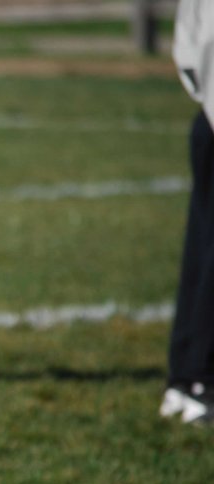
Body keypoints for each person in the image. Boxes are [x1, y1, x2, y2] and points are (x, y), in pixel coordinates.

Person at [160, 0, 213, 426]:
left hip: (207, 112)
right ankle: (200, 380)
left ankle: (187, 377)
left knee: (202, 244)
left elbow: (189, 42)